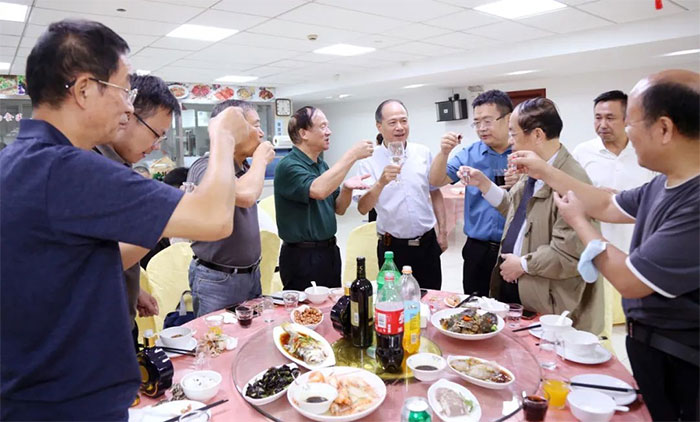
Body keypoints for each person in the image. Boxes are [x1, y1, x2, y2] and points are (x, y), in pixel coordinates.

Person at [0, 19, 257, 420]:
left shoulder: (17, 161)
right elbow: (215, 220)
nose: (127, 107)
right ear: (84, 89)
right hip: (68, 401)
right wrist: (223, 135)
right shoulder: (69, 168)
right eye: (124, 90)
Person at [510, 70, 699, 421]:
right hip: (648, 340)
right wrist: (545, 170)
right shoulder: (663, 184)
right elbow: (606, 204)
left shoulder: (695, 201)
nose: (625, 132)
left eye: (630, 122)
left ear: (664, 129)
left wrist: (580, 223)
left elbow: (631, 281)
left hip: (683, 353)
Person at [460, 97, 603, 333]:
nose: (511, 142)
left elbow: (570, 253)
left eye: (513, 134)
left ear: (537, 135)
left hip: (549, 299)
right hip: (521, 285)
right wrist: (484, 184)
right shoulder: (535, 168)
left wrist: (523, 264)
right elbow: (515, 211)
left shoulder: (570, 180)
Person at [93, 73, 181, 351]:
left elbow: (110, 243)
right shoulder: (92, 168)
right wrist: (160, 222)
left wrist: (133, 289)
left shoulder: (119, 165)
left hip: (120, 314)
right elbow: (92, 261)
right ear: (128, 115)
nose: (156, 146)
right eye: (156, 134)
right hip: (96, 330)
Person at [572, 90, 656, 340]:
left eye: (610, 118)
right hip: (595, 249)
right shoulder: (583, 152)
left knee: (635, 321)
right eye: (597, 117)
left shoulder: (645, 152)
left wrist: (623, 200)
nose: (602, 124)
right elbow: (572, 195)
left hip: (637, 249)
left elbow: (656, 200)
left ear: (627, 119)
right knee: (597, 326)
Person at [187, 99, 275, 316]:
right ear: (234, 129)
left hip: (250, 274)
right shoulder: (206, 167)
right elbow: (245, 195)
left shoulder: (244, 167)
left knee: (252, 333)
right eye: (255, 125)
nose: (261, 133)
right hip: (217, 278)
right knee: (217, 336)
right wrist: (260, 161)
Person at [274, 106, 373, 291]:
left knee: (331, 304)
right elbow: (318, 190)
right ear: (303, 133)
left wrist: (346, 189)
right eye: (322, 126)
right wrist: (352, 155)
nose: (329, 132)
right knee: (305, 307)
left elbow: (339, 208)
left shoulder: (321, 165)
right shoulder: (288, 166)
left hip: (329, 251)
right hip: (302, 256)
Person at [429, 90, 513, 295]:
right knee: (475, 306)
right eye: (477, 123)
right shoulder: (470, 153)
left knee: (514, 308)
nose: (481, 128)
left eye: (488, 121)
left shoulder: (525, 152)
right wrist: (444, 152)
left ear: (508, 119)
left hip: (515, 249)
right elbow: (436, 181)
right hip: (477, 249)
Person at [357, 99, 447, 290]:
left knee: (431, 298)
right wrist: (381, 182)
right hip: (392, 249)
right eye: (392, 122)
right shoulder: (369, 161)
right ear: (379, 126)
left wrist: (443, 232)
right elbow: (363, 208)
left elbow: (435, 191)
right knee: (394, 300)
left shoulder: (422, 153)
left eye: (404, 121)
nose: (400, 127)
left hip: (427, 243)